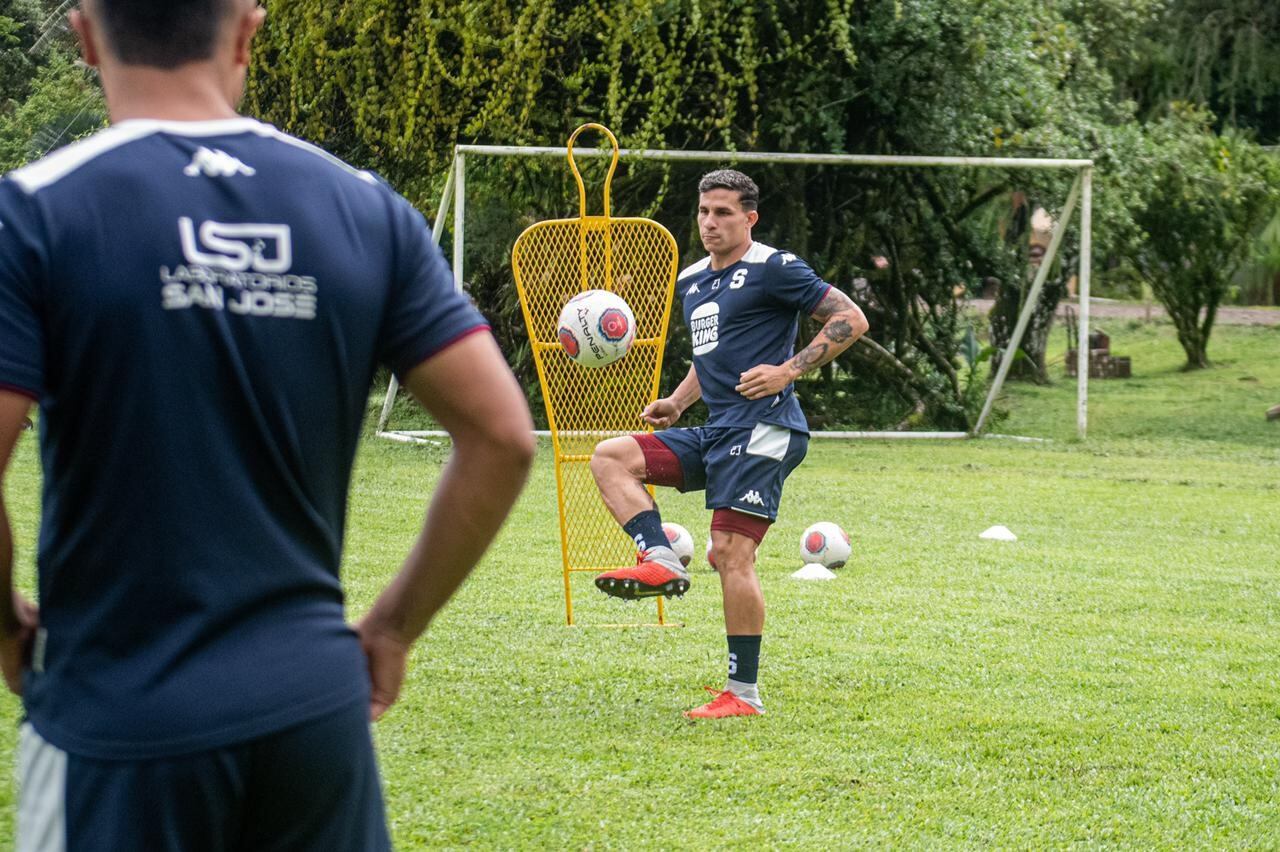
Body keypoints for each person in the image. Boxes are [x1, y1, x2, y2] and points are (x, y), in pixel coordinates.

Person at [0, 0, 535, 848]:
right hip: (312, 717)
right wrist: (393, 626)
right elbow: (503, 436)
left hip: (120, 713)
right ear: (247, 30)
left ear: (86, 36)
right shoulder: (364, 208)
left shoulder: (34, 210)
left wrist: (5, 624)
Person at [590, 169, 868, 719]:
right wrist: (677, 402)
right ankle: (661, 558)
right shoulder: (692, 279)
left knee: (730, 555)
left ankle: (743, 695)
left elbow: (850, 318)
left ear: (749, 218)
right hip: (719, 427)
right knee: (611, 456)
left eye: (723, 213)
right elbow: (709, 356)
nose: (711, 223)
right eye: (704, 212)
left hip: (767, 427)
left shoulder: (774, 268)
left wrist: (789, 369)